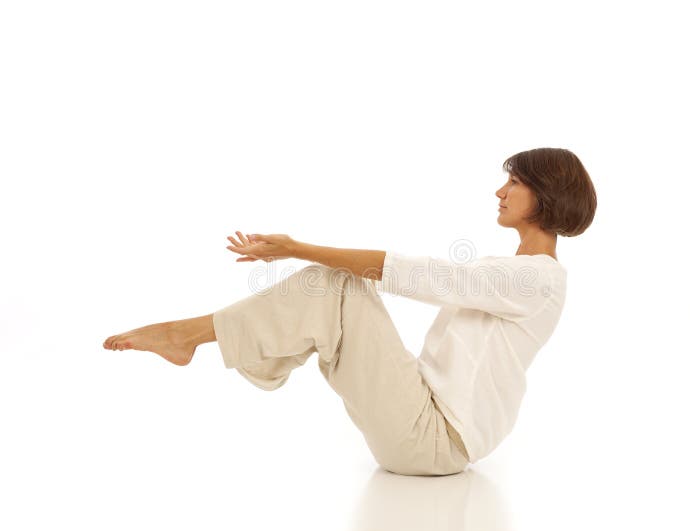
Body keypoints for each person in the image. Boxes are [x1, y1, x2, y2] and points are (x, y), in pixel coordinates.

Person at [101, 147, 597, 476]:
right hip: (423, 423)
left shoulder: (538, 278)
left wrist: (298, 248)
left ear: (547, 194)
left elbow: (422, 275)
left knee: (332, 284)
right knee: (334, 289)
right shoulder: (513, 272)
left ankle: (191, 337)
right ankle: (233, 345)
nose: (500, 191)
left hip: (434, 441)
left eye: (514, 181)